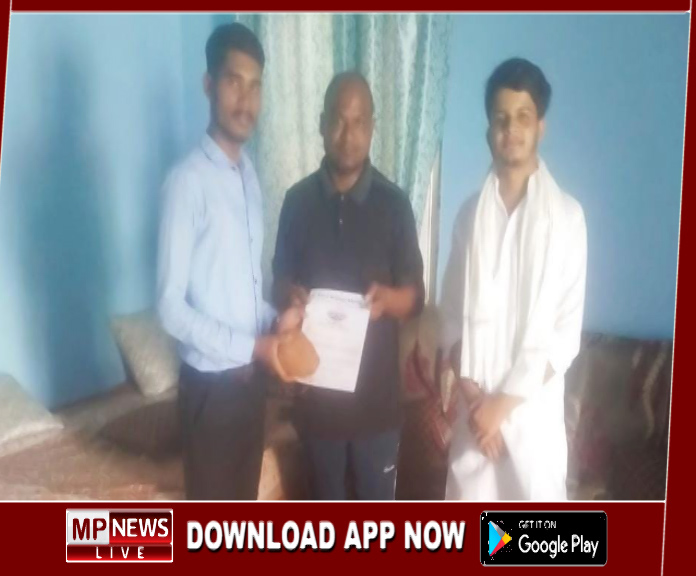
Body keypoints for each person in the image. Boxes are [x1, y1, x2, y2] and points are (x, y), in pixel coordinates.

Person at [157, 23, 301, 501]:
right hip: (210, 395)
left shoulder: (248, 177)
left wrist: (276, 320)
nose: (246, 100)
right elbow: (169, 308)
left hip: (250, 389)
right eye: (234, 82)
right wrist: (254, 346)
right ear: (209, 85)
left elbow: (240, 290)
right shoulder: (187, 182)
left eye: (255, 85)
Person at [272, 71, 425, 500]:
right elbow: (277, 280)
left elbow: (416, 298)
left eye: (359, 122)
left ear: (373, 127)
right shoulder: (297, 202)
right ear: (322, 124)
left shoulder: (395, 205)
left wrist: (389, 300)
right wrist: (290, 296)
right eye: (339, 121)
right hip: (317, 403)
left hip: (377, 407)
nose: (348, 134)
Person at [439, 58, 587, 500]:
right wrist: (475, 404)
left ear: (540, 126)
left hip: (531, 424)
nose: (511, 129)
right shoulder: (469, 216)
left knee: (528, 537)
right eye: (501, 118)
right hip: (476, 424)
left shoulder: (567, 218)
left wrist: (500, 408)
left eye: (523, 116)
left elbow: (564, 338)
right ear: (489, 131)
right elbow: (451, 319)